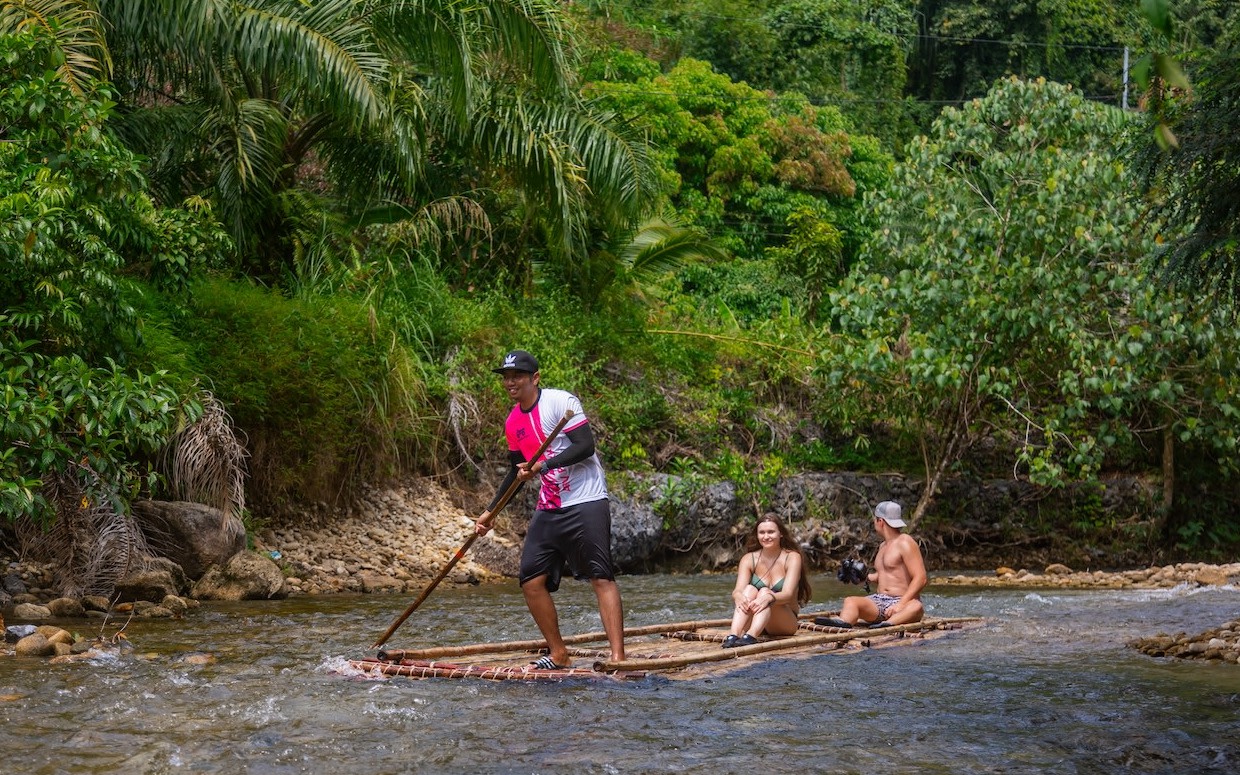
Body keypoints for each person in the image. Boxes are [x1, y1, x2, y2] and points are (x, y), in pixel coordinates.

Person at [474, 350, 625, 668]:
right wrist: (491, 511)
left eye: (517, 376)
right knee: (530, 580)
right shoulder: (513, 422)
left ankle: (618, 658)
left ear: (535, 378)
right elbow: (516, 472)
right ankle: (559, 653)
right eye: (506, 377)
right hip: (551, 504)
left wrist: (543, 465)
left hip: (586, 499)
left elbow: (585, 446)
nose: (510, 382)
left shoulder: (560, 402)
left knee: (600, 577)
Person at [818, 501, 927, 629]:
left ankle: (888, 624)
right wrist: (863, 577)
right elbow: (884, 575)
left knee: (916, 606)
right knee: (851, 601)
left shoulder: (905, 542)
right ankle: (844, 622)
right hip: (880, 601)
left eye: (875, 520)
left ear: (880, 521)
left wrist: (901, 604)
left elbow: (921, 578)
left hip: (903, 601)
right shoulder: (882, 546)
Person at [722, 514, 812, 648]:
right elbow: (737, 590)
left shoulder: (792, 557)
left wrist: (769, 598)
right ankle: (734, 635)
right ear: (757, 535)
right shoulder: (748, 559)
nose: (766, 536)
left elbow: (787, 594)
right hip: (755, 619)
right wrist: (738, 596)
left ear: (781, 534)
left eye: (771, 532)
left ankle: (751, 636)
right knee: (749, 589)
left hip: (783, 622)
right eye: (762, 532)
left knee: (764, 591)